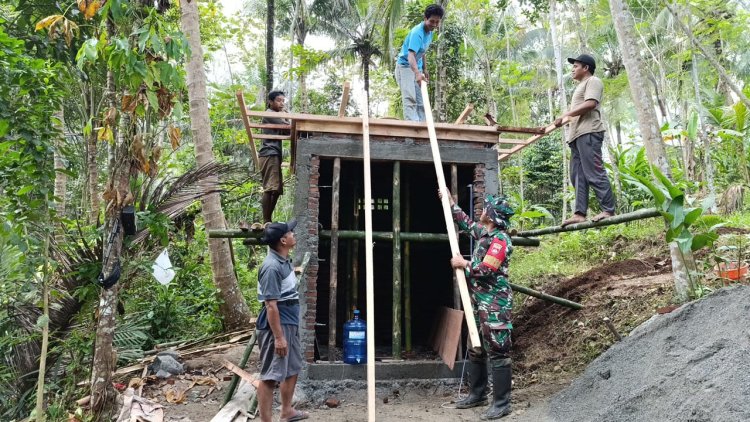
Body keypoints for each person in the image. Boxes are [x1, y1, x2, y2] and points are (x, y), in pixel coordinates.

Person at [440, 188, 515, 420]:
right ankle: (477, 394)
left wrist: (463, 263)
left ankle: (502, 403)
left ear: (492, 217)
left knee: (498, 349)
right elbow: (466, 223)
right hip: (479, 302)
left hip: (495, 304)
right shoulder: (485, 234)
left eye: (486, 208)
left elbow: (487, 268)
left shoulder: (500, 240)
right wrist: (451, 203)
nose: (482, 210)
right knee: (476, 347)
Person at [553, 54, 615, 227]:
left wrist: (566, 114)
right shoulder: (580, 86)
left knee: (594, 172)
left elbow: (591, 104)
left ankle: (608, 210)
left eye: (576, 66)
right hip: (576, 136)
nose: (572, 69)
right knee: (577, 176)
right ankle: (580, 213)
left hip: (589, 132)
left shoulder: (593, 81)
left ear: (586, 68)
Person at [256, 221, 308, 422]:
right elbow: (271, 306)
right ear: (283, 240)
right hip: (278, 325)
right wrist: (278, 337)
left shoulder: (283, 261)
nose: (294, 233)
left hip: (290, 322)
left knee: (293, 367)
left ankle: (287, 411)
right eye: (290, 232)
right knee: (270, 375)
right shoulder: (271, 267)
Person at [395, 4, 444, 121]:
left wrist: (424, 69)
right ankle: (412, 129)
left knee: (422, 99)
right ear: (425, 18)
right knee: (410, 97)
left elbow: (422, 51)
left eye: (437, 22)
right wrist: (417, 73)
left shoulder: (430, 33)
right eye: (432, 21)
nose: (434, 25)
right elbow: (410, 55)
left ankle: (423, 127)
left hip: (418, 67)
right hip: (405, 66)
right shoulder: (417, 33)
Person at [259, 91, 290, 224]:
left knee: (276, 189)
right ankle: (266, 220)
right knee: (270, 188)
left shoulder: (276, 115)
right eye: (278, 100)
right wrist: (287, 115)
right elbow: (287, 127)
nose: (282, 103)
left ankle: (267, 219)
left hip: (274, 153)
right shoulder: (269, 114)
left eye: (283, 100)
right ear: (270, 102)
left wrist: (286, 115)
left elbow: (286, 130)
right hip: (269, 153)